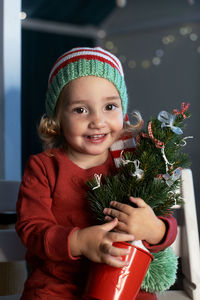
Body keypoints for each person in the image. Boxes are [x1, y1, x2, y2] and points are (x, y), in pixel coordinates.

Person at [16, 47, 177, 300]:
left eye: (109, 106)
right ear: (57, 118)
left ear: (122, 110)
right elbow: (31, 229)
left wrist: (154, 228)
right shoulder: (43, 167)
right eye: (80, 110)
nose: (97, 121)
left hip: (123, 281)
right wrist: (79, 241)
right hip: (59, 285)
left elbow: (166, 218)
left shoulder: (132, 163)